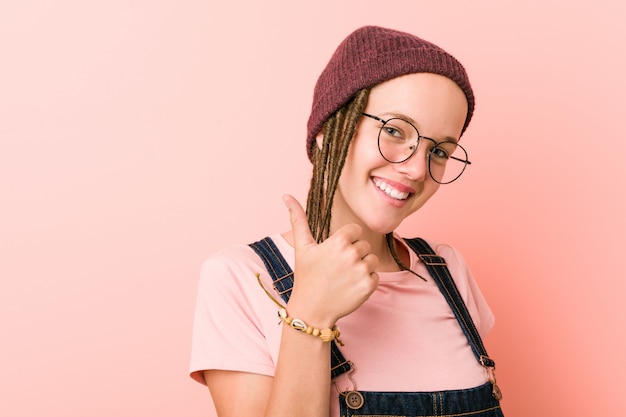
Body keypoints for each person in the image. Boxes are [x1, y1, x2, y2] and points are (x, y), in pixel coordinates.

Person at [190, 25, 503, 417]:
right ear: (326, 128)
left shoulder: (449, 270)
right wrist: (310, 313)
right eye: (394, 130)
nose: (417, 169)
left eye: (439, 151)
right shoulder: (244, 278)